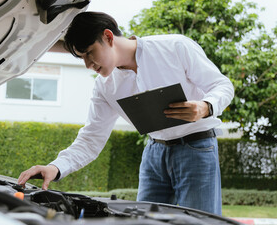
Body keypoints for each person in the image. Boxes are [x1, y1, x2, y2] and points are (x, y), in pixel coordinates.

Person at [18, 12, 234, 215]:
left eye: (90, 53)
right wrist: (55, 167)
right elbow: (91, 138)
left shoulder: (175, 47)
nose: (87, 65)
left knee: (201, 221)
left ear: (108, 37)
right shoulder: (104, 86)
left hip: (197, 148)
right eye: (82, 58)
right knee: (142, 220)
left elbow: (222, 85)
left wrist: (206, 106)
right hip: (154, 152)